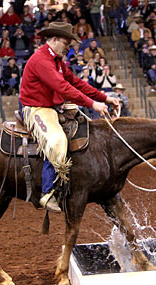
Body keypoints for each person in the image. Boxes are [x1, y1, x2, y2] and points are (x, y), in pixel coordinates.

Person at [19, 22, 117, 212]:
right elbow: (63, 87)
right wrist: (92, 104)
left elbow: (76, 83)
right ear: (54, 40)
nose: (68, 47)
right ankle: (48, 193)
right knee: (57, 141)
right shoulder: (41, 60)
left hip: (52, 105)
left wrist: (105, 97)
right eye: (66, 43)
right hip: (36, 108)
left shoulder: (56, 61)